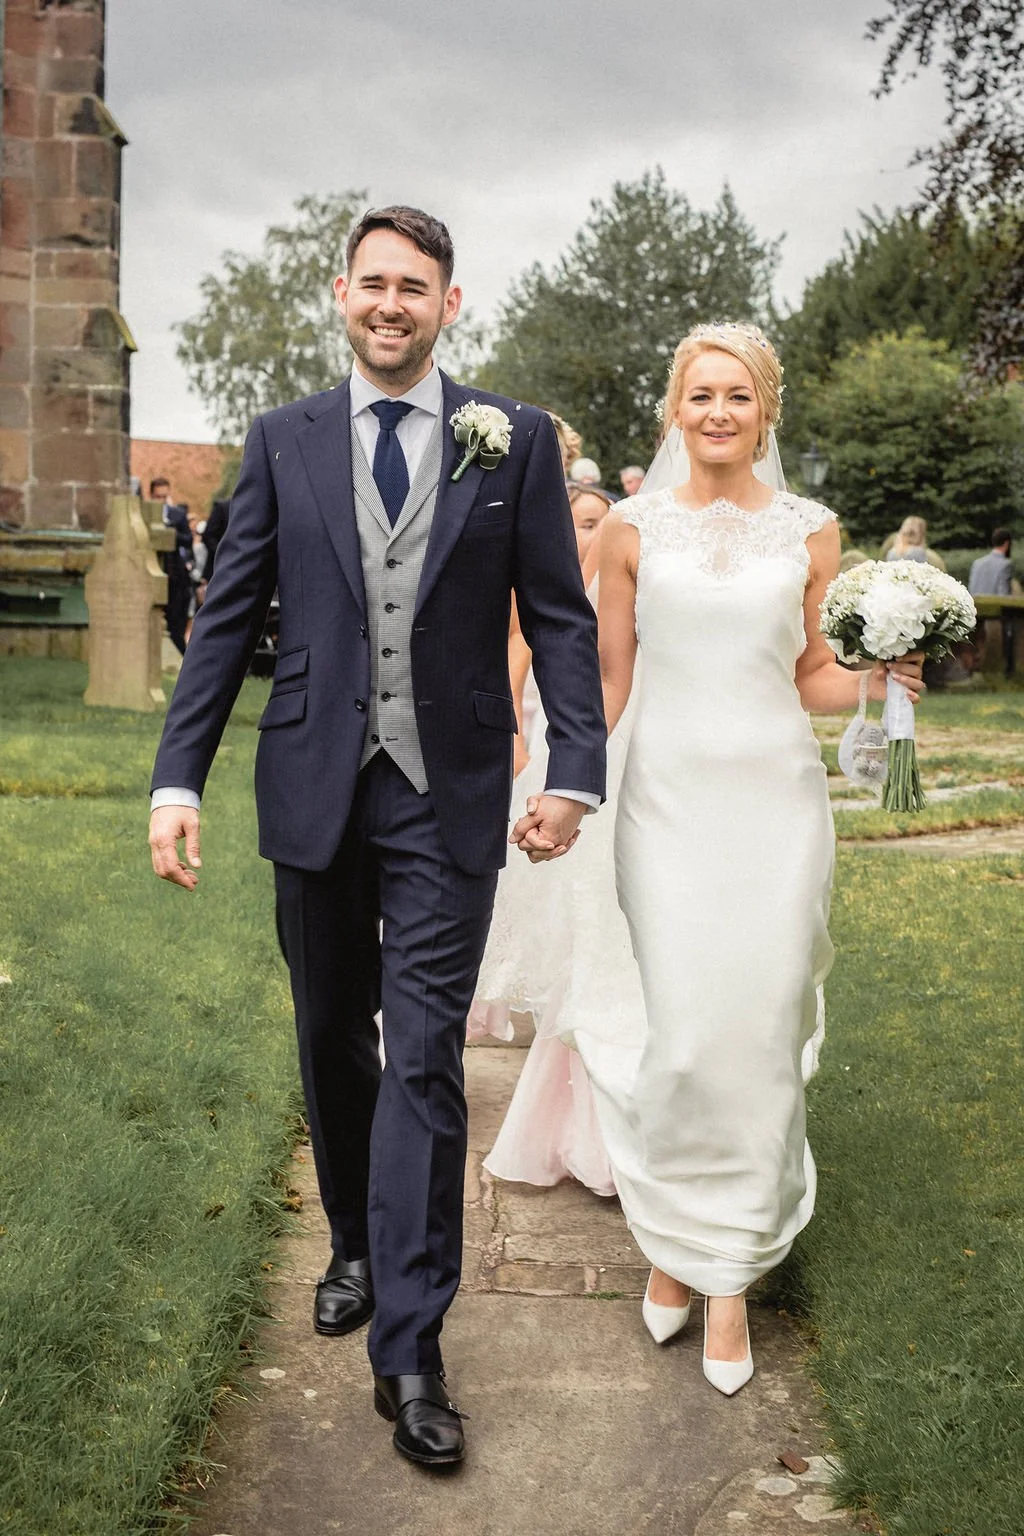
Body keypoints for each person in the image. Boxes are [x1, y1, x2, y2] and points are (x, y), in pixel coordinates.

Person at [147, 205, 606, 1468]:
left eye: (416, 286)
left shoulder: (506, 439)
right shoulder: (282, 440)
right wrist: (173, 782)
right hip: (311, 783)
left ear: (448, 304)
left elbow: (561, 618)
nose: (392, 304)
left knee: (422, 1064)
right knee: (330, 1035)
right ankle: (352, 1236)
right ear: (340, 296)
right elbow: (228, 615)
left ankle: (408, 1344)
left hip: (448, 786)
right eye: (373, 284)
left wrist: (573, 766)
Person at [582, 321, 923, 1395]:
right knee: (684, 1035)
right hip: (667, 808)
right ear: (674, 409)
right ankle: (677, 1244)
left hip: (775, 808)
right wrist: (560, 786)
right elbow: (605, 682)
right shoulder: (627, 530)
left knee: (762, 1026)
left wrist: (880, 676)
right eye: (700, 396)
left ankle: (727, 1274)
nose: (718, 413)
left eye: (737, 396)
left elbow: (813, 673)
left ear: (765, 410)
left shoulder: (811, 533)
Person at [470, 479, 618, 1197]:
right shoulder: (546, 570)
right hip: (551, 734)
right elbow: (522, 641)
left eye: (599, 521)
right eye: (580, 521)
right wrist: (521, 730)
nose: (589, 533)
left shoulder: (627, 573)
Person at [150, 476, 193, 655]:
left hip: (175, 576)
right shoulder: (145, 514)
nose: (161, 500)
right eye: (158, 497)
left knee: (176, 622)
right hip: (153, 571)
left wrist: (170, 530)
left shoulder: (177, 515)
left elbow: (188, 539)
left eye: (164, 497)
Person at [970, 528, 1016, 676]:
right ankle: (1008, 670)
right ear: (1007, 543)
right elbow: (1003, 596)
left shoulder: (977, 563)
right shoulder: (1006, 564)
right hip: (995, 614)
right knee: (1012, 627)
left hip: (975, 613)